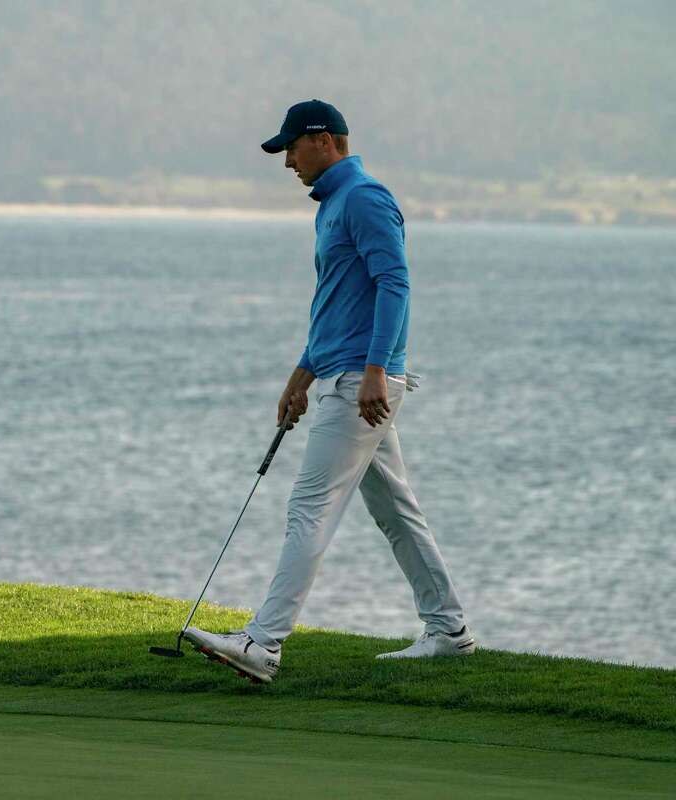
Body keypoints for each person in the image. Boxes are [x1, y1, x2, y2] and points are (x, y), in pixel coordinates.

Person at [184, 100, 473, 684]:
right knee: (397, 511)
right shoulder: (333, 206)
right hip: (345, 375)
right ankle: (448, 630)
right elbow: (337, 304)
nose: (287, 160)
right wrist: (301, 374)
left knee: (309, 507)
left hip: (362, 385)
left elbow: (395, 284)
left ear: (324, 140)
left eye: (292, 147)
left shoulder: (364, 198)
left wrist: (373, 371)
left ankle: (263, 644)